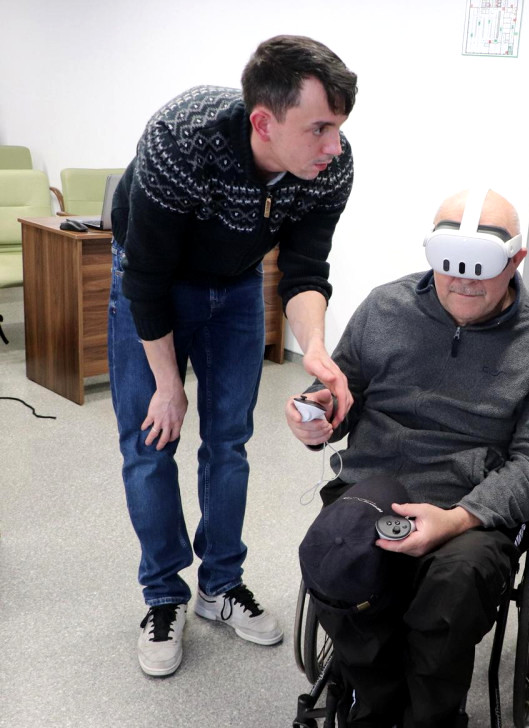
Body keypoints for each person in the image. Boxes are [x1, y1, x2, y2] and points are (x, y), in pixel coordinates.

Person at [109, 35, 357, 678]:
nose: (335, 146)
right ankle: (163, 595)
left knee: (229, 441)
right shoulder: (182, 138)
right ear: (264, 122)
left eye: (339, 126)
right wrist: (169, 384)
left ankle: (219, 585)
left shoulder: (330, 165)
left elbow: (305, 271)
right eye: (320, 128)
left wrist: (315, 350)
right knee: (150, 439)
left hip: (239, 281)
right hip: (154, 280)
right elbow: (146, 279)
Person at [287, 188, 529, 727]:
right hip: (379, 479)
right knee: (336, 550)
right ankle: (373, 703)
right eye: (450, 265)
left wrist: (459, 519)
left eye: (481, 267)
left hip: (474, 501)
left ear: (515, 259)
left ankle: (432, 717)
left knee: (454, 584)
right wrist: (318, 412)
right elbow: (341, 392)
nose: (464, 281)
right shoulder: (385, 307)